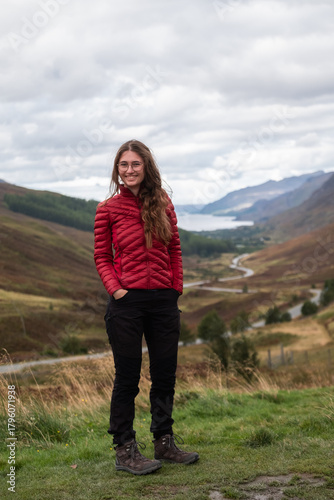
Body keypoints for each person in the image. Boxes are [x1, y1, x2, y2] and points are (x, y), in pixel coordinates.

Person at [94, 140, 199, 475]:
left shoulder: (163, 203)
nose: (128, 170)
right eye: (123, 165)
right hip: (127, 304)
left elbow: (175, 250)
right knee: (127, 378)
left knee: (165, 374)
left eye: (135, 164)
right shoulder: (107, 209)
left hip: (163, 301)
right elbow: (102, 256)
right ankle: (125, 450)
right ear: (117, 169)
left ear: (146, 167)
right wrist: (117, 290)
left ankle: (164, 443)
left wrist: (175, 288)